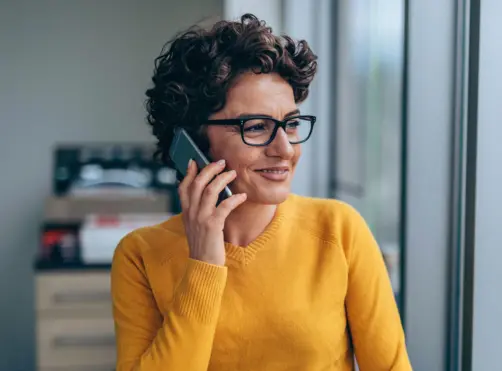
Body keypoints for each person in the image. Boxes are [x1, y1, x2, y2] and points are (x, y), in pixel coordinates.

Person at [110, 13, 411, 371]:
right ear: (191, 141)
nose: (285, 149)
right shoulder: (140, 255)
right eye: (256, 127)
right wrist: (204, 265)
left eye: (292, 124)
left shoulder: (340, 230)